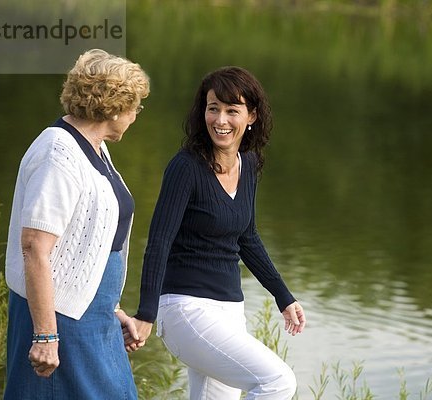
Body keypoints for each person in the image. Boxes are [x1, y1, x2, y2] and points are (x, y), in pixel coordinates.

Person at [131, 66, 306, 400]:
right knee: (277, 382)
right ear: (203, 112)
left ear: (251, 116)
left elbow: (247, 236)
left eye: (232, 110)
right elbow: (158, 242)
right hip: (186, 309)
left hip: (229, 310)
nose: (220, 120)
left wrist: (284, 296)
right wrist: (146, 314)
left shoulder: (249, 164)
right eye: (213, 109)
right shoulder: (185, 167)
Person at [3, 49, 150, 399]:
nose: (135, 115)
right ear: (113, 107)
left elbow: (86, 243)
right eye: (134, 107)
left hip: (93, 316)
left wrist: (112, 309)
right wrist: (45, 336)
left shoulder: (94, 147)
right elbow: (35, 247)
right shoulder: (58, 153)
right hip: (59, 319)